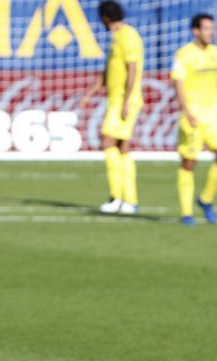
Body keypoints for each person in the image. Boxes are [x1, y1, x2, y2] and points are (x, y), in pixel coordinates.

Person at [172, 13, 217, 226]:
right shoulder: (184, 54)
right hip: (193, 115)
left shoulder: (215, 52)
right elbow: (178, 85)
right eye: (208, 28)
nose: (212, 32)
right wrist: (186, 111)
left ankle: (206, 199)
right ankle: (186, 213)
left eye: (213, 28)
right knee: (189, 163)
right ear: (196, 31)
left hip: (215, 115)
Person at [80, 1, 142, 215]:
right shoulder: (116, 37)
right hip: (117, 99)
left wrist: (126, 101)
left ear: (105, 17)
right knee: (122, 147)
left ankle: (118, 197)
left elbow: (133, 69)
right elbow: (108, 72)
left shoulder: (128, 36)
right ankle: (128, 200)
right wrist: (89, 93)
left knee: (108, 140)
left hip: (125, 100)